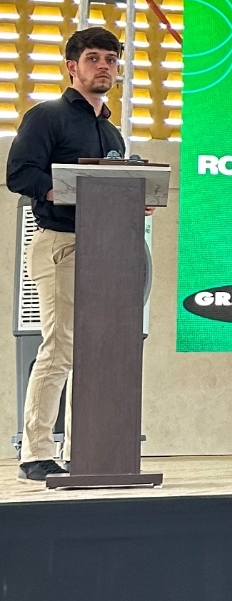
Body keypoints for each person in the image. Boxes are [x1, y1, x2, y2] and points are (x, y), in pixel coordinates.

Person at [6, 27, 126, 482]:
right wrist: (64, 193)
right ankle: (34, 452)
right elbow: (19, 174)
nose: (104, 66)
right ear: (72, 67)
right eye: (94, 58)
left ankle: (86, 451)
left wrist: (135, 198)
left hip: (108, 248)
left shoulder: (111, 131)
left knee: (98, 354)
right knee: (59, 349)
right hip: (61, 242)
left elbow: (117, 188)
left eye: (111, 59)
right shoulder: (47, 117)